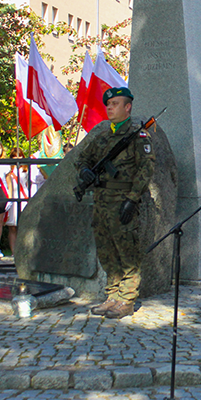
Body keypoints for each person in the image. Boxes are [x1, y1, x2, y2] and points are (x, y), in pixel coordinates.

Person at [75, 86, 155, 319]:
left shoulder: (139, 136)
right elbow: (81, 160)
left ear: (127, 107)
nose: (109, 108)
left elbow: (146, 169)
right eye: (108, 104)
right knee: (107, 251)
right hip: (101, 202)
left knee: (127, 251)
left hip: (122, 200)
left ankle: (127, 300)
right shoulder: (102, 136)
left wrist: (132, 199)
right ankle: (112, 296)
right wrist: (85, 173)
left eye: (115, 104)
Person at [5, 147, 35, 255]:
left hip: (24, 197)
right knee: (13, 226)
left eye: (19, 155)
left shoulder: (26, 169)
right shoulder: (8, 170)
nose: (17, 158)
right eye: (14, 156)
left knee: (24, 225)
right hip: (13, 197)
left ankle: (24, 251)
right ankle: (14, 252)